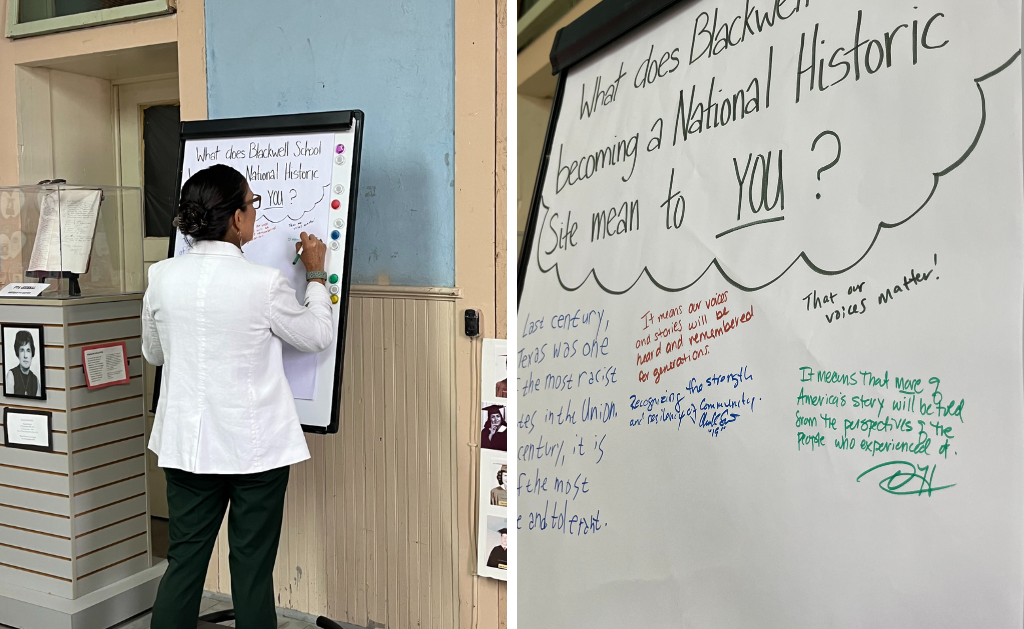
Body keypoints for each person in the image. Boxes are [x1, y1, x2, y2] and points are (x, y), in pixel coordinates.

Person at [142, 164, 333, 629]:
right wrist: (316, 276)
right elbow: (315, 336)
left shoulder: (161, 275)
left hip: (187, 446)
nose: (253, 213)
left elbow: (153, 353)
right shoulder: (262, 283)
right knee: (251, 571)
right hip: (255, 452)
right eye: (251, 204)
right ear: (234, 219)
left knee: (185, 563)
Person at [7, 330, 40, 397]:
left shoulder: (35, 380)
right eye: (22, 350)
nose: (25, 356)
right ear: (17, 353)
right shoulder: (11, 375)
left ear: (32, 353)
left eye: (28, 350)